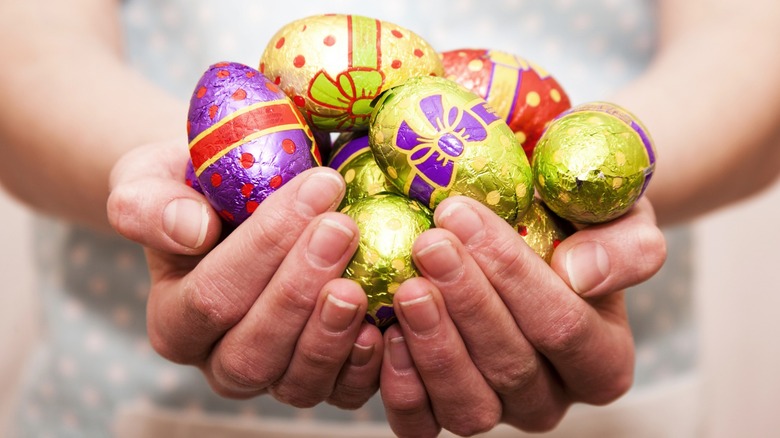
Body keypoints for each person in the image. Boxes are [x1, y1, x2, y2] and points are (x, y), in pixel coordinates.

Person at [0, 0, 778, 437]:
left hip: (588, 339)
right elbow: (26, 53)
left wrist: (588, 197)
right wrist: (189, 183)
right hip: (129, 379)